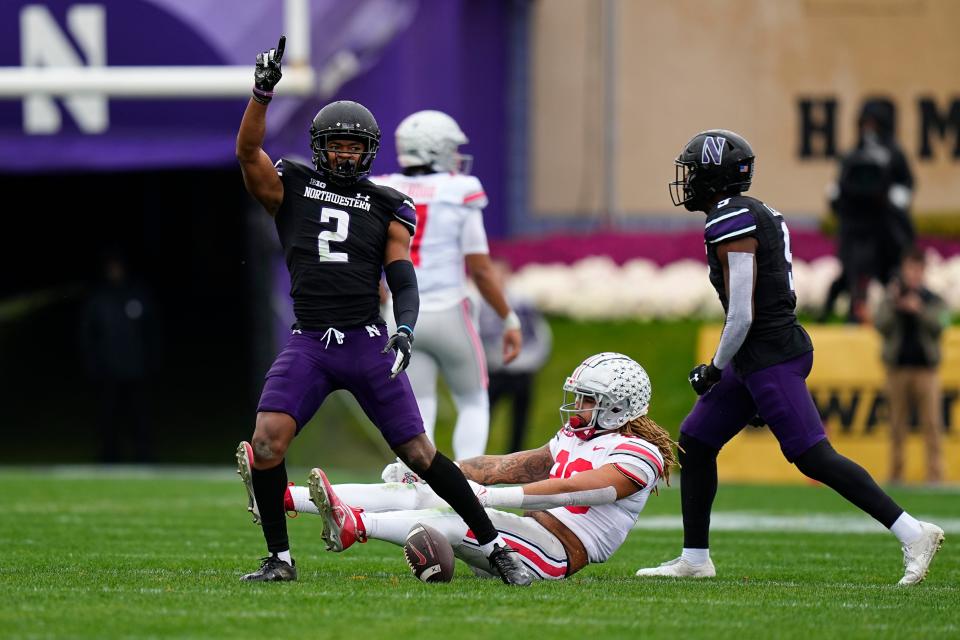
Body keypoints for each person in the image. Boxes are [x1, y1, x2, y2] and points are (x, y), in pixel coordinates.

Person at [233, 36, 534, 585]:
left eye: (354, 147)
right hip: (309, 342)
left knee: (421, 454)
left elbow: (401, 272)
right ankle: (280, 558)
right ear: (320, 147)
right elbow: (248, 153)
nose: (345, 154)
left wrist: (406, 329)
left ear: (368, 151)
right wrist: (262, 94)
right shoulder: (293, 184)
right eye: (337, 146)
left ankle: (495, 548)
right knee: (266, 442)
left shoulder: (388, 202)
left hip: (366, 340)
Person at [636, 130, 944, 586]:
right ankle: (695, 558)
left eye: (695, 171)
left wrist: (714, 368)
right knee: (697, 442)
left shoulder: (731, 215)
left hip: (767, 354)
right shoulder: (751, 211)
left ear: (714, 174)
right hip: (759, 354)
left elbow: (742, 313)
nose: (689, 180)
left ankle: (913, 531)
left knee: (813, 457)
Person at [283, 353, 676, 580]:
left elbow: (580, 488)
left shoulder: (640, 454)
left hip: (553, 554)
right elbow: (512, 465)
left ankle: (355, 526)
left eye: (588, 399)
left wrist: (489, 497)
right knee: (426, 490)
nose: (578, 406)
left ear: (618, 406)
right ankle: (287, 497)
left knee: (455, 515)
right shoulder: (575, 436)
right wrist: (444, 471)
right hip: (522, 535)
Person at [374, 110, 522, 459]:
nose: (457, 155)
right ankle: (467, 480)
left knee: (418, 405)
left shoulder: (383, 188)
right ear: (436, 148)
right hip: (449, 312)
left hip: (401, 315)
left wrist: (381, 297)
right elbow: (481, 270)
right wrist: (509, 319)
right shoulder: (460, 190)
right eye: (451, 147)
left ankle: (413, 482)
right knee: (473, 400)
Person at [825, 99, 915, 323]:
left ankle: (898, 316)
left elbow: (906, 185)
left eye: (874, 124)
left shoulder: (894, 154)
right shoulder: (852, 155)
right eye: (866, 123)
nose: (869, 129)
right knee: (853, 277)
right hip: (856, 231)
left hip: (885, 231)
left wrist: (893, 197)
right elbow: (841, 190)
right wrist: (838, 194)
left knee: (892, 276)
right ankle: (849, 315)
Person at [875, 248, 949, 485]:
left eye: (918, 269)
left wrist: (919, 310)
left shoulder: (932, 299)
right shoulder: (892, 297)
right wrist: (896, 304)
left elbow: (941, 325)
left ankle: (935, 475)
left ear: (923, 271)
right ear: (904, 270)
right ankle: (896, 475)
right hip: (897, 369)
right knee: (897, 425)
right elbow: (880, 324)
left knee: (933, 425)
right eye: (910, 269)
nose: (914, 274)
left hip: (926, 370)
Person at [79, 251, 160, 463]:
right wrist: (94, 364)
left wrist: (151, 361)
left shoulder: (138, 295)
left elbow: (151, 331)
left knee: (139, 416)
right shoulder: (99, 298)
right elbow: (89, 334)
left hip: (137, 369)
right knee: (107, 416)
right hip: (108, 371)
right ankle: (109, 455)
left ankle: (143, 455)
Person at [478, 260, 553, 452]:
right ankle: (474, 453)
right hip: (495, 370)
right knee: (482, 416)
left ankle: (516, 457)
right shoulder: (480, 304)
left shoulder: (522, 302)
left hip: (522, 370)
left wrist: (532, 360)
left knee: (520, 419)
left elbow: (539, 333)